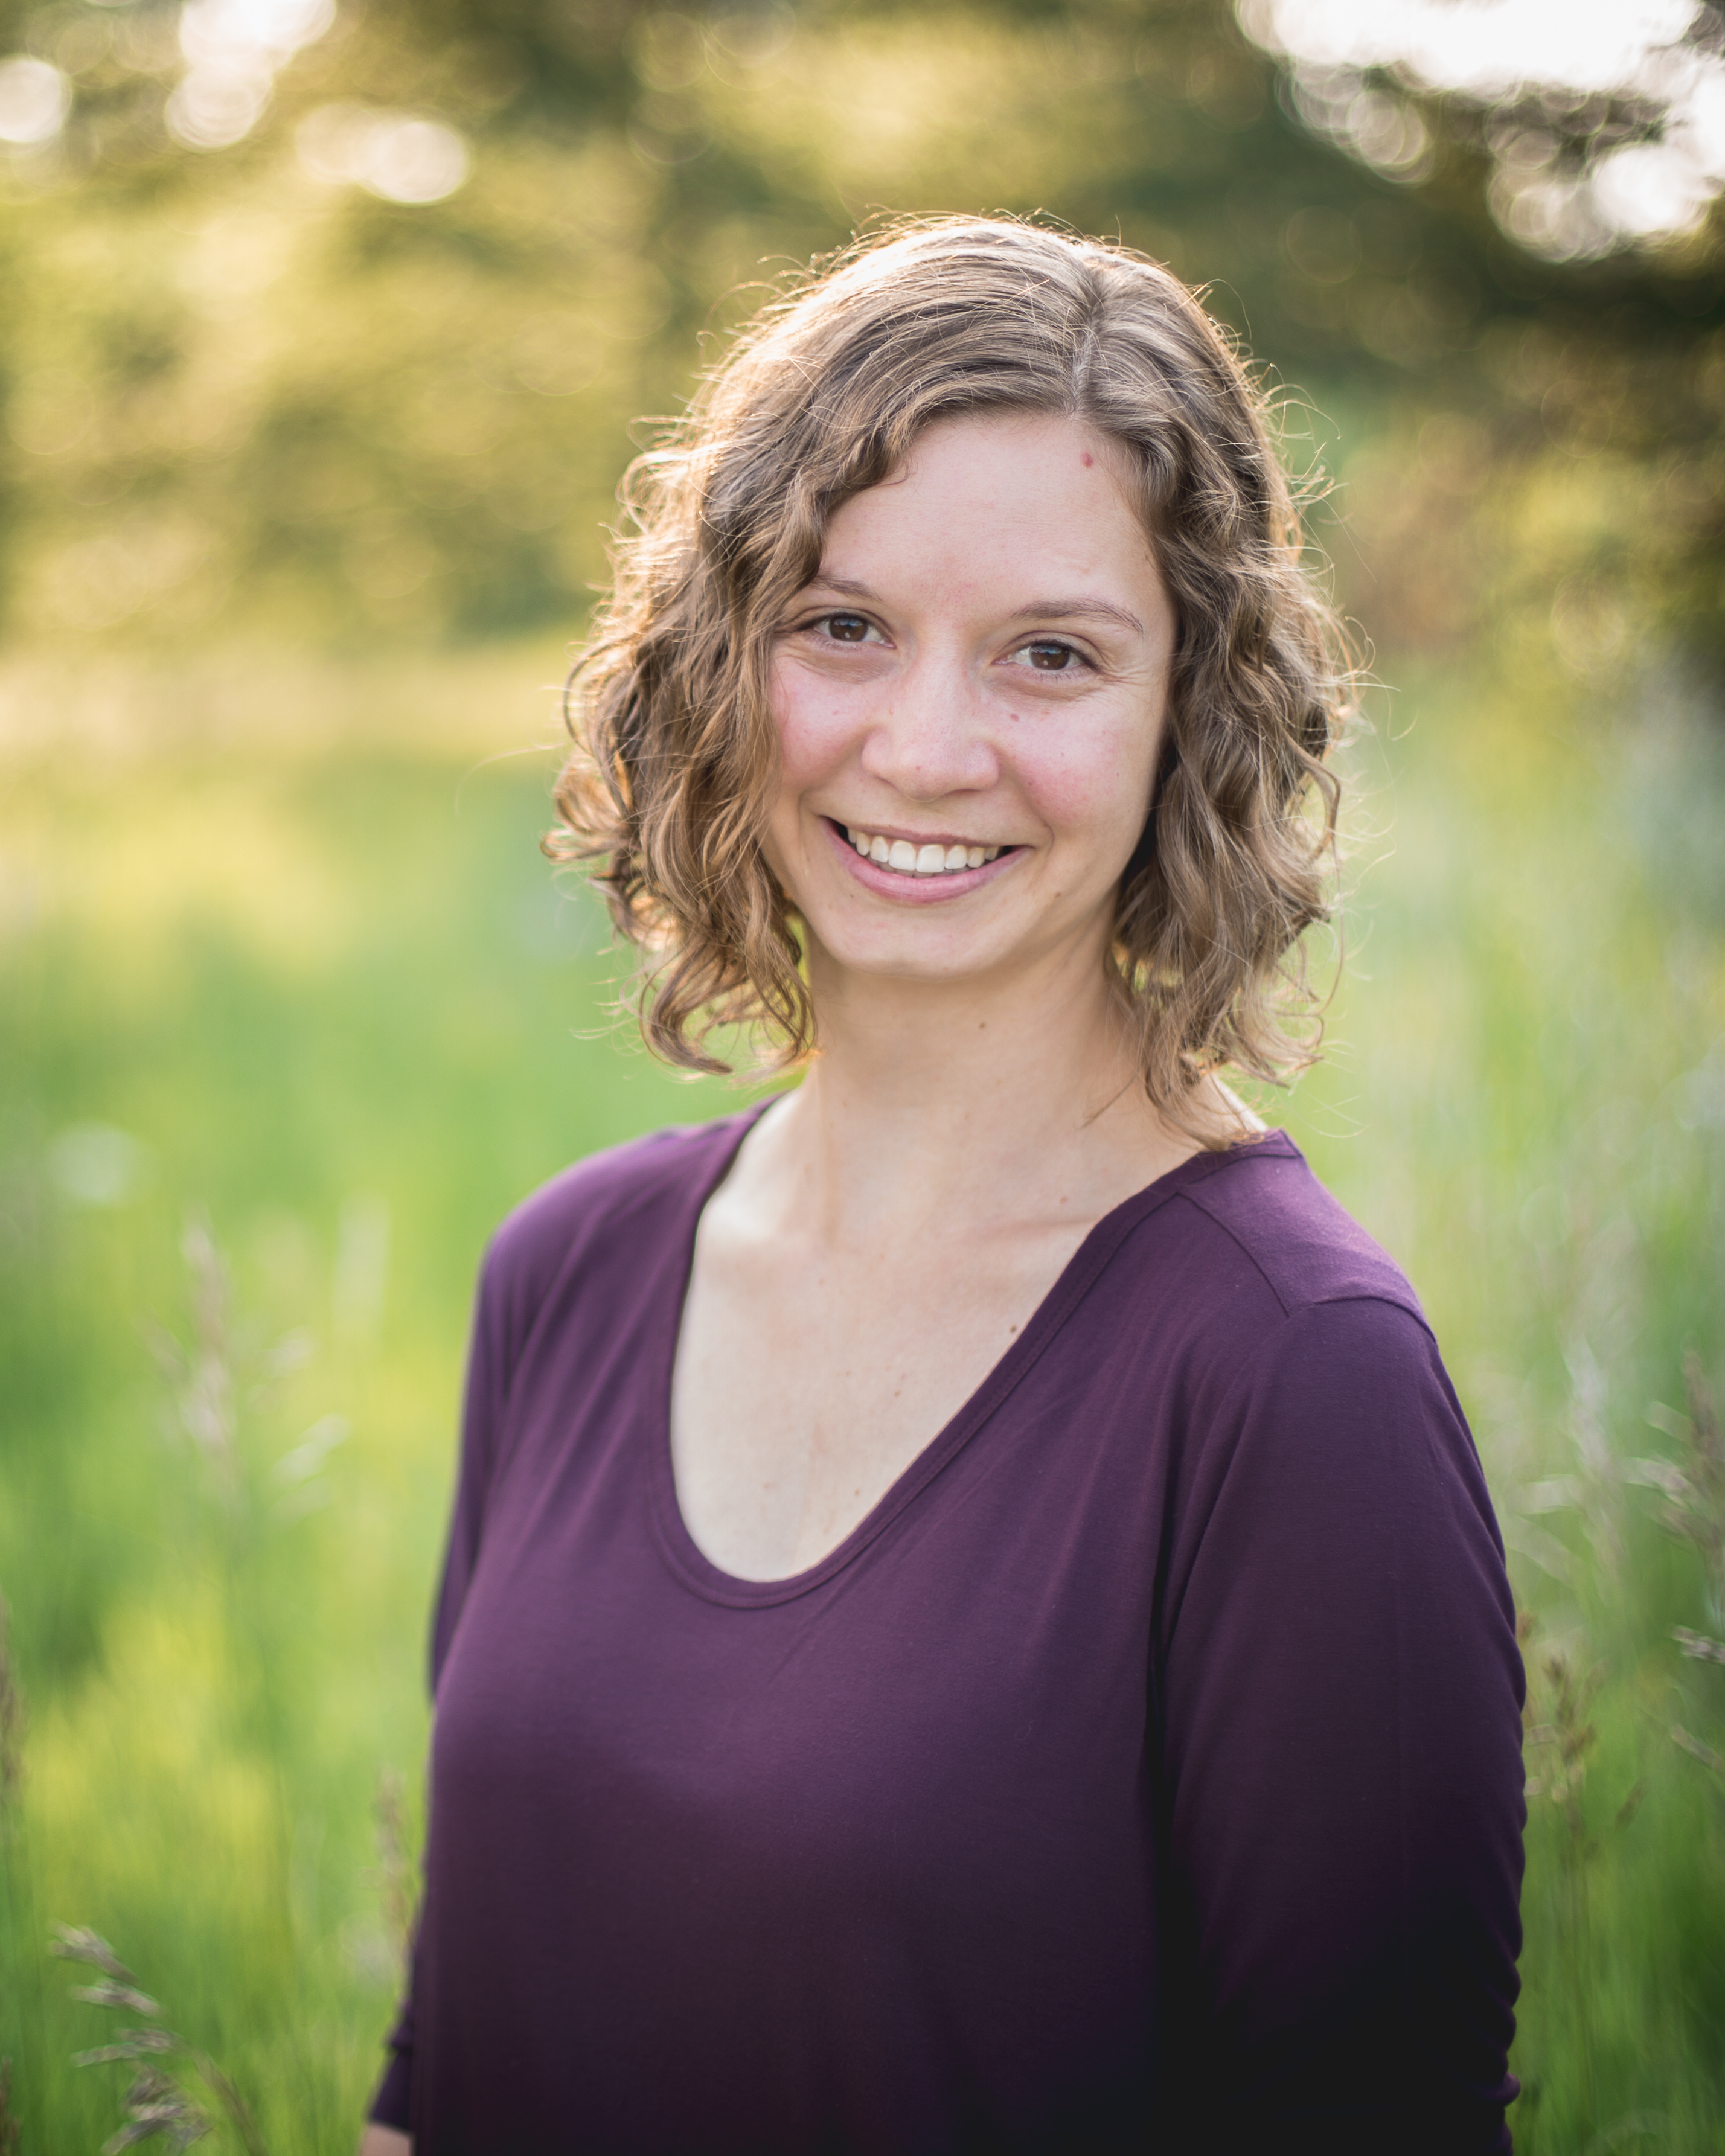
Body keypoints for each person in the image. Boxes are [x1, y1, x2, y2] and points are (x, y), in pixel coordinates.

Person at [360, 216, 1525, 2156]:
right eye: (841, 624)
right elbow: (450, 2064)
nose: (921, 748)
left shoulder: (1291, 1381)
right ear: (724, 656)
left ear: (1194, 716)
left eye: (1050, 655)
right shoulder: (567, 1273)